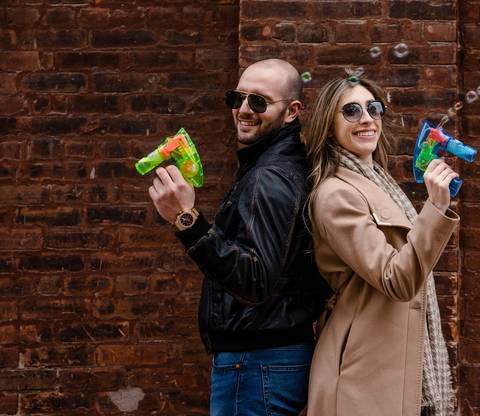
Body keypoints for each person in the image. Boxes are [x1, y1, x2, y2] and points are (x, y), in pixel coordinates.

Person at [147, 58, 330, 416]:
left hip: (256, 363)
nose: (244, 110)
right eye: (238, 98)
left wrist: (187, 219)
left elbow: (255, 280)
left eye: (259, 101)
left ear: (292, 111)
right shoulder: (277, 166)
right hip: (268, 361)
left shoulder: (270, 177)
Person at [302, 74, 459, 416]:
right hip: (365, 373)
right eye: (351, 111)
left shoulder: (380, 183)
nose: (366, 119)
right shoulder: (335, 194)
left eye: (373, 108)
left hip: (396, 362)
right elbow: (397, 279)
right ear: (329, 126)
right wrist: (435, 209)